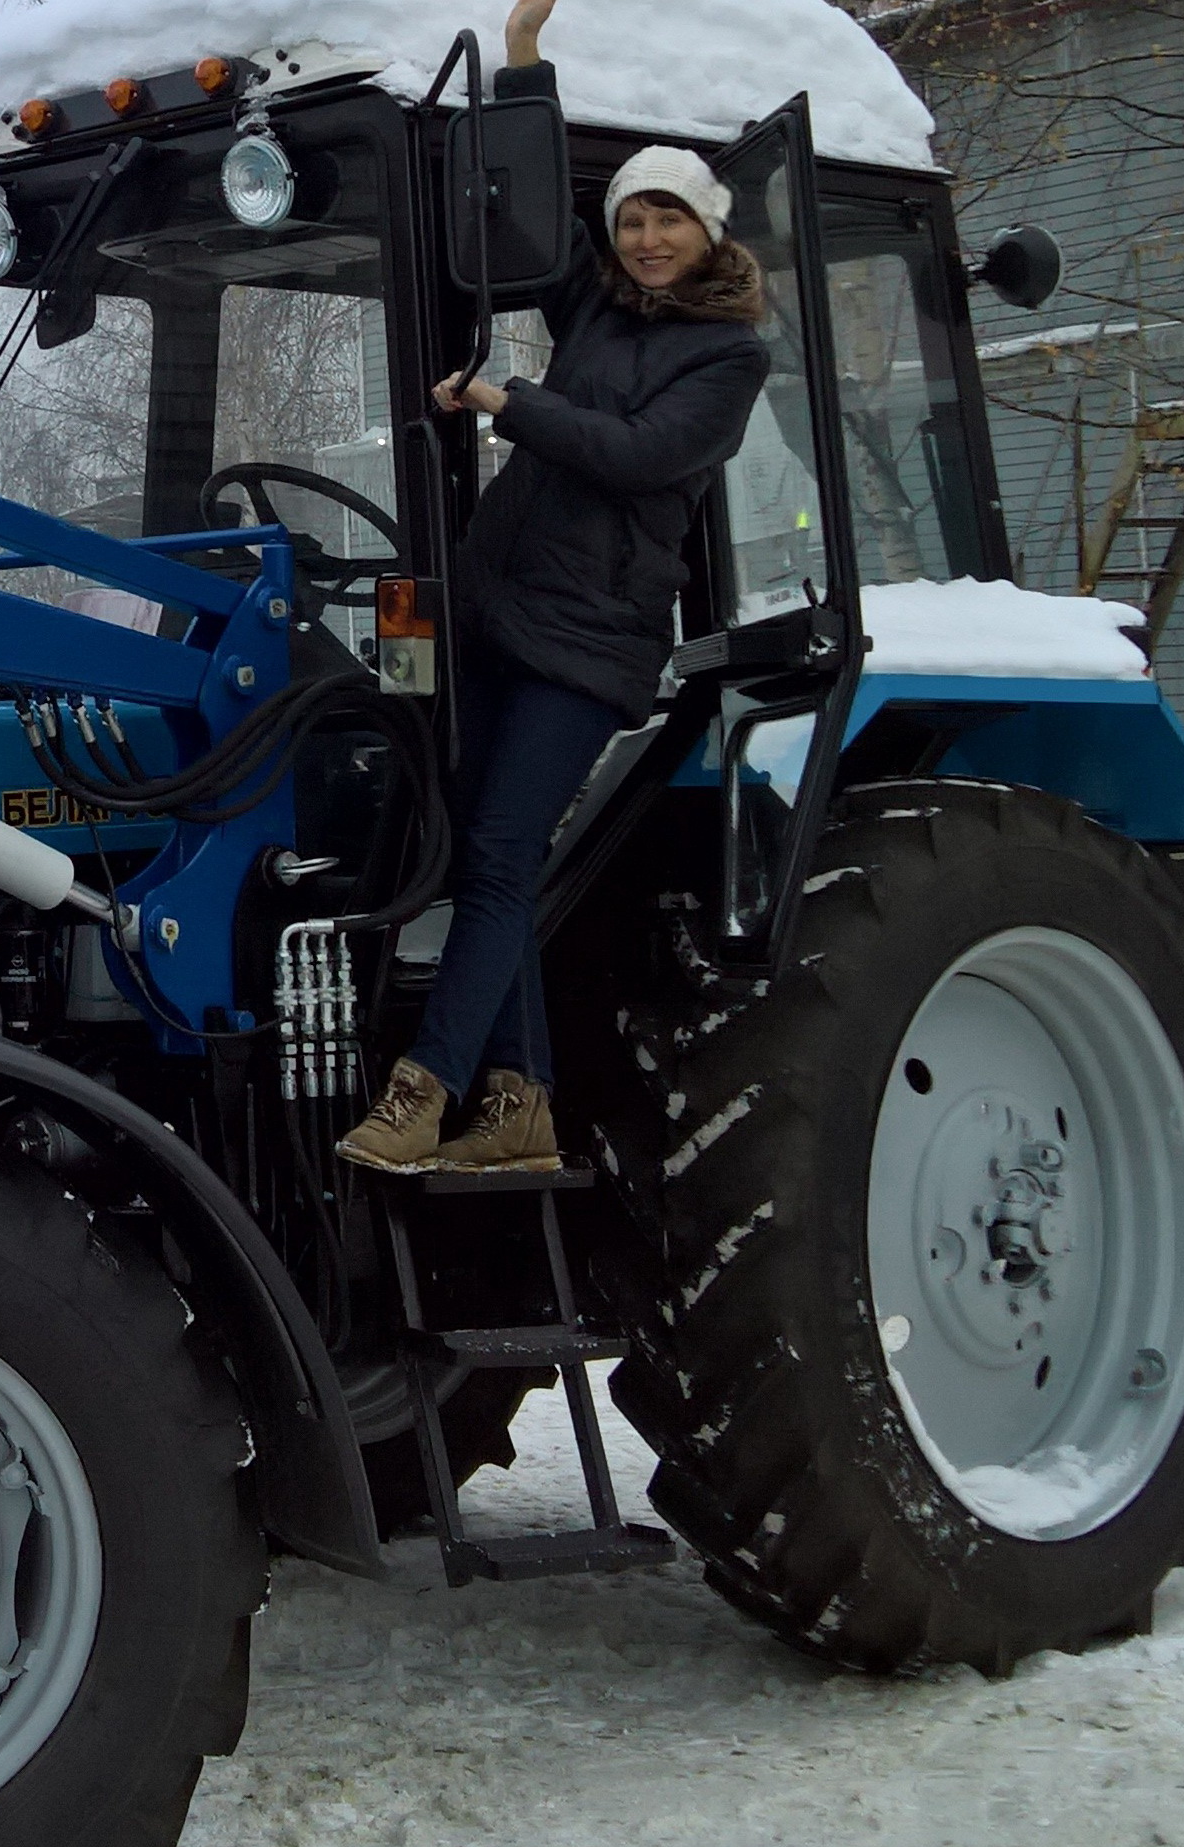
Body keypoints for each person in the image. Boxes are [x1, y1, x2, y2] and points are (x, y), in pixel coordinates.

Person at [337, 0, 770, 1173]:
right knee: (473, 841)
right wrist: (525, 66)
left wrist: (503, 401)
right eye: (632, 217)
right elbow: (545, 226)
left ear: (709, 232)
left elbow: (637, 455)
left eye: (665, 217)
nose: (643, 238)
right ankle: (519, 1106)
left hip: (588, 645)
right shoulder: (600, 310)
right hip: (490, 607)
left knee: (497, 855)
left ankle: (423, 1093)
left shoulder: (729, 357)